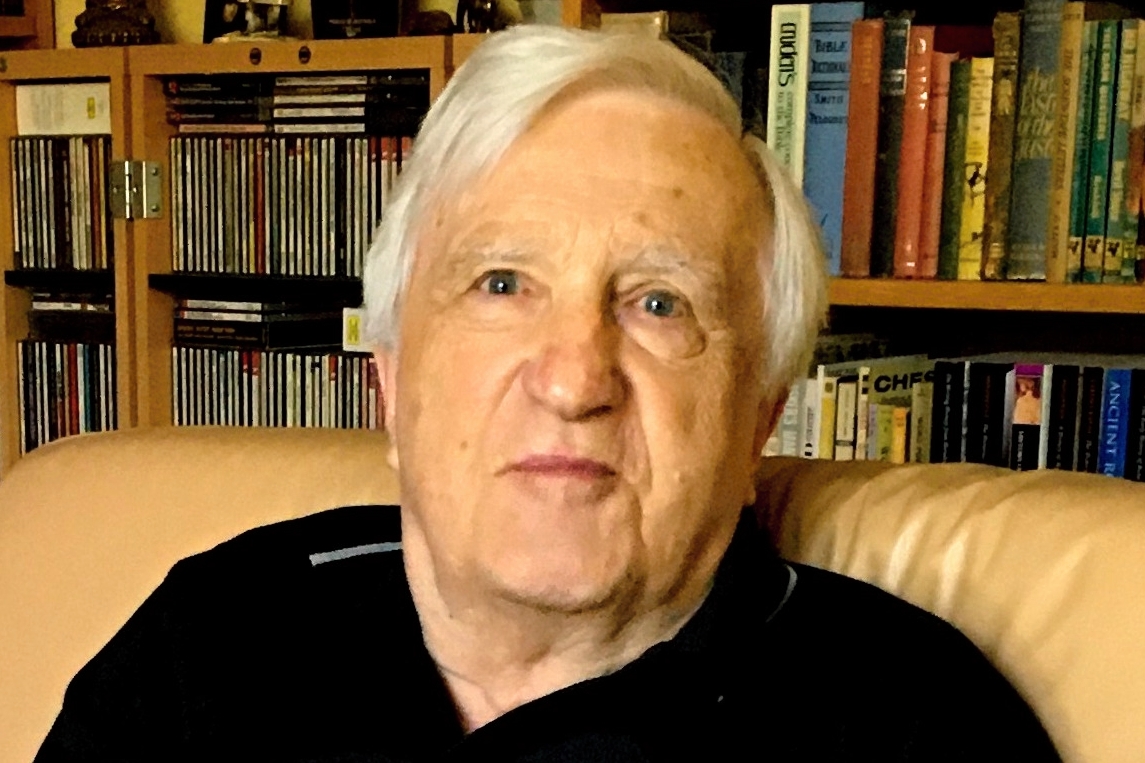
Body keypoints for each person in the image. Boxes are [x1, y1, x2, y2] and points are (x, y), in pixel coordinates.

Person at [35, 25, 1061, 762]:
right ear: (389, 378)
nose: (573, 379)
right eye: (500, 284)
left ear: (759, 414)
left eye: (657, 303)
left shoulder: (912, 724)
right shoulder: (216, 641)